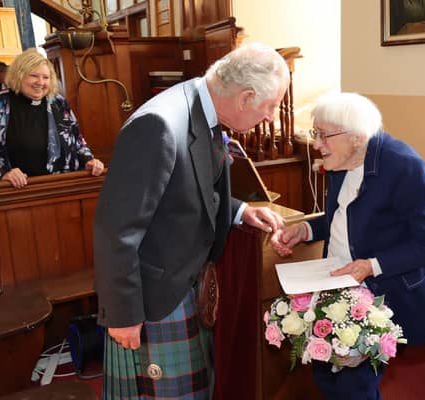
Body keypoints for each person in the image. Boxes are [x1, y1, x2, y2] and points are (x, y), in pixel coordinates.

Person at [94, 42, 290, 399]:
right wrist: (122, 314)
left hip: (184, 285)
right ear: (246, 97)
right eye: (270, 106)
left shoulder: (204, 109)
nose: (270, 117)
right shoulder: (159, 124)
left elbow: (190, 189)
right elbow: (116, 229)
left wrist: (240, 211)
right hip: (153, 299)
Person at [270, 92, 425, 400]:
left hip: (378, 292)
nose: (316, 145)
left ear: (357, 137)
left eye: (323, 135)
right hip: (335, 281)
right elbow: (345, 219)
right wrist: (306, 229)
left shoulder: (403, 166)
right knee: (325, 372)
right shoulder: (344, 159)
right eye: (317, 134)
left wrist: (371, 264)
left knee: (355, 386)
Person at [0, 48, 104, 188]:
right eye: (34, 76)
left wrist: (89, 160)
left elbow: (77, 140)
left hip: (65, 186)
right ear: (18, 75)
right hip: (19, 191)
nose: (40, 82)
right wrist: (1, 173)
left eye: (46, 77)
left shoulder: (58, 103)